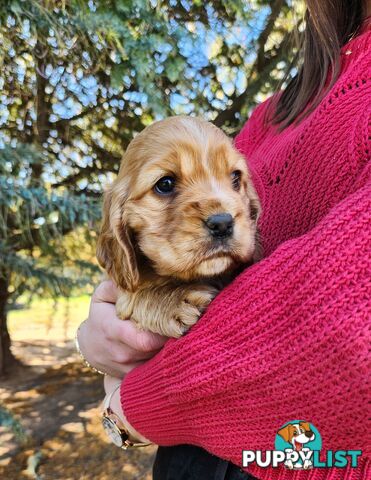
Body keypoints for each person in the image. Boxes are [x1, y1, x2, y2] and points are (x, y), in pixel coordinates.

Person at [77, 0, 371, 478]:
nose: (222, 211)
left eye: (235, 181)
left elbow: (345, 330)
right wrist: (106, 327)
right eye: (166, 185)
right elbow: (119, 297)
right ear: (118, 220)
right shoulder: (276, 111)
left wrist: (127, 410)